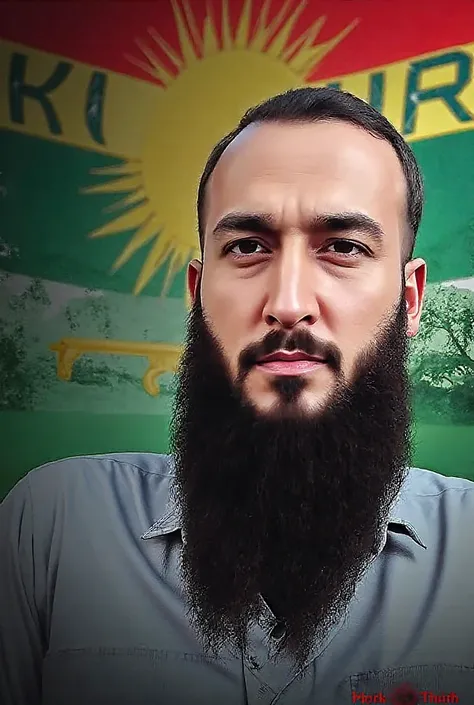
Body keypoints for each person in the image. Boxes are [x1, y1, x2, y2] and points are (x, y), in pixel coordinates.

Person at [1, 87, 473, 705]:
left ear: (409, 300)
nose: (288, 303)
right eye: (248, 247)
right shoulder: (52, 530)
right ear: (199, 290)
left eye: (344, 248)